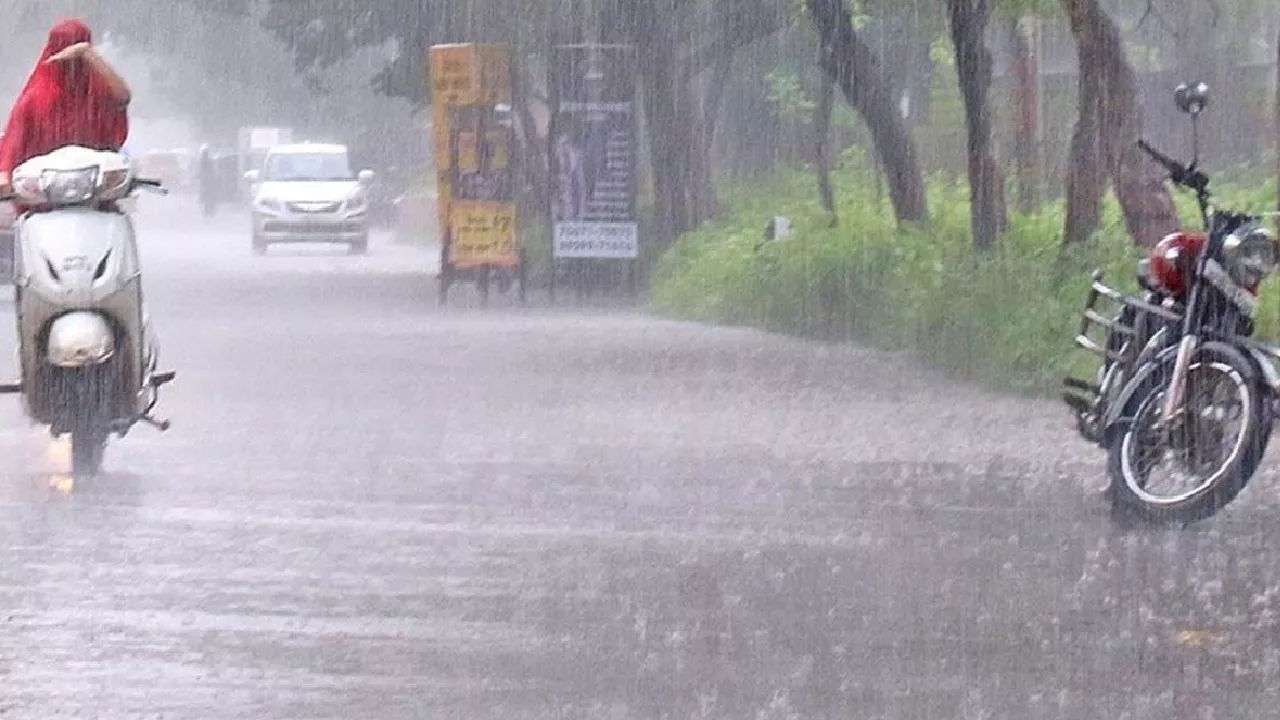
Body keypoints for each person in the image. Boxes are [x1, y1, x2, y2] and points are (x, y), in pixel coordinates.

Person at [0, 18, 132, 195]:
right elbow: (14, 139)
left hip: (95, 192)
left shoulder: (97, 90)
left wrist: (87, 53)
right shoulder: (37, 96)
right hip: (44, 196)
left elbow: (123, 97)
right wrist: (4, 175)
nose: (72, 62)